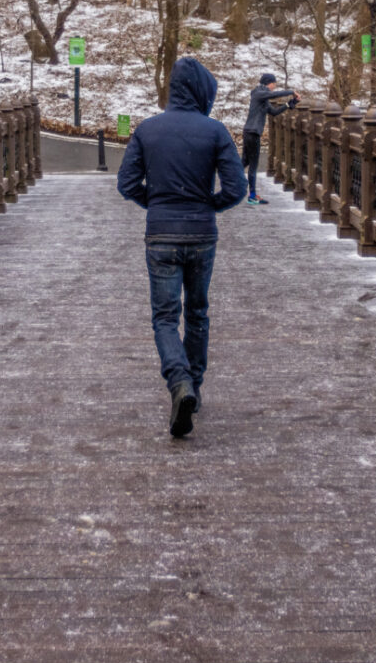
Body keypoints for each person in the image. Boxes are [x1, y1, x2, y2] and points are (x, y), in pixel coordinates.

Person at [116, 57, 247, 438]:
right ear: (202, 91)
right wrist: (208, 206)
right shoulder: (215, 131)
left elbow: (126, 184)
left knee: (164, 318)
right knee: (198, 312)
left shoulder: (148, 129)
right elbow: (236, 189)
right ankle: (195, 386)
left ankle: (179, 383)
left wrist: (155, 204)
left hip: (161, 235)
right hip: (202, 234)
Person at [241, 72, 297, 203]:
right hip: (253, 133)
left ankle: (229, 183)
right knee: (253, 166)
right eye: (274, 84)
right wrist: (291, 91)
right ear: (269, 83)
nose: (274, 87)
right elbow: (273, 94)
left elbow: (274, 112)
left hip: (250, 132)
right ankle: (252, 196)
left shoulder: (262, 98)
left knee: (244, 162)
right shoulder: (258, 93)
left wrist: (290, 103)